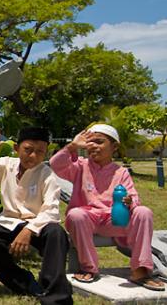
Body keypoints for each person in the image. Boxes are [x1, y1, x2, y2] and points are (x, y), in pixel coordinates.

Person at [51, 124, 165, 291]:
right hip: (87, 219)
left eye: (99, 142)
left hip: (115, 220)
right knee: (76, 214)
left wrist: (129, 201)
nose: (93, 146)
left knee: (143, 212)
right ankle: (89, 268)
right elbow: (56, 165)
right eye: (90, 142)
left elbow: (133, 197)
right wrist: (73, 146)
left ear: (114, 147)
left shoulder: (121, 172)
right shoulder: (80, 166)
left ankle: (140, 271)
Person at [0, 127, 72, 304]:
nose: (33, 156)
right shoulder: (6, 165)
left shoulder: (47, 175)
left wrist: (28, 231)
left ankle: (55, 296)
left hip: (39, 223)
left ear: (45, 153)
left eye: (39, 152)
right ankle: (25, 284)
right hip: (9, 221)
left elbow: (51, 210)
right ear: (17, 148)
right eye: (28, 150)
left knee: (57, 234)